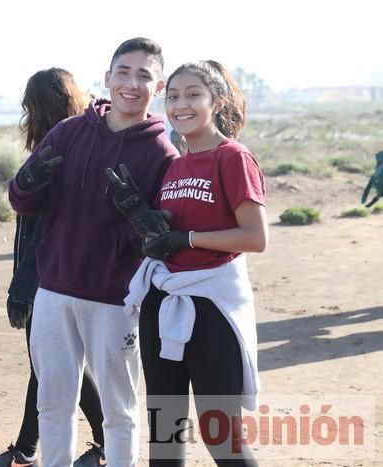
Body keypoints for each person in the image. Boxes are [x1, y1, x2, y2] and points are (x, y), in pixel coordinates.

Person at [8, 38, 179, 467]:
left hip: (115, 299)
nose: (132, 83)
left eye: (144, 75)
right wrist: (29, 183)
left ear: (156, 88)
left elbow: (162, 240)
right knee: (53, 403)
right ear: (107, 78)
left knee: (120, 410)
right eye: (124, 72)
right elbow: (20, 198)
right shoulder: (68, 132)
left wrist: (141, 216)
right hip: (54, 291)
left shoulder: (162, 153)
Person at [121, 60, 267, 466]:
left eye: (192, 95)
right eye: (172, 97)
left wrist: (186, 238)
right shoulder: (175, 165)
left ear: (216, 101)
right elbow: (164, 238)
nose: (180, 105)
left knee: (220, 434)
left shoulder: (233, 158)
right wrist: (140, 218)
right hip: (163, 302)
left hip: (212, 306)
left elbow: (255, 237)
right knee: (165, 436)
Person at [0, 68, 106, 467]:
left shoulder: (57, 153)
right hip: (54, 275)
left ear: (43, 107)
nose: (23, 114)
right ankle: (26, 450)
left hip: (49, 278)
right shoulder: (72, 145)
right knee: (45, 366)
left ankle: (104, 443)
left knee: (52, 365)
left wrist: (22, 287)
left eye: (27, 106)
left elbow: (44, 232)